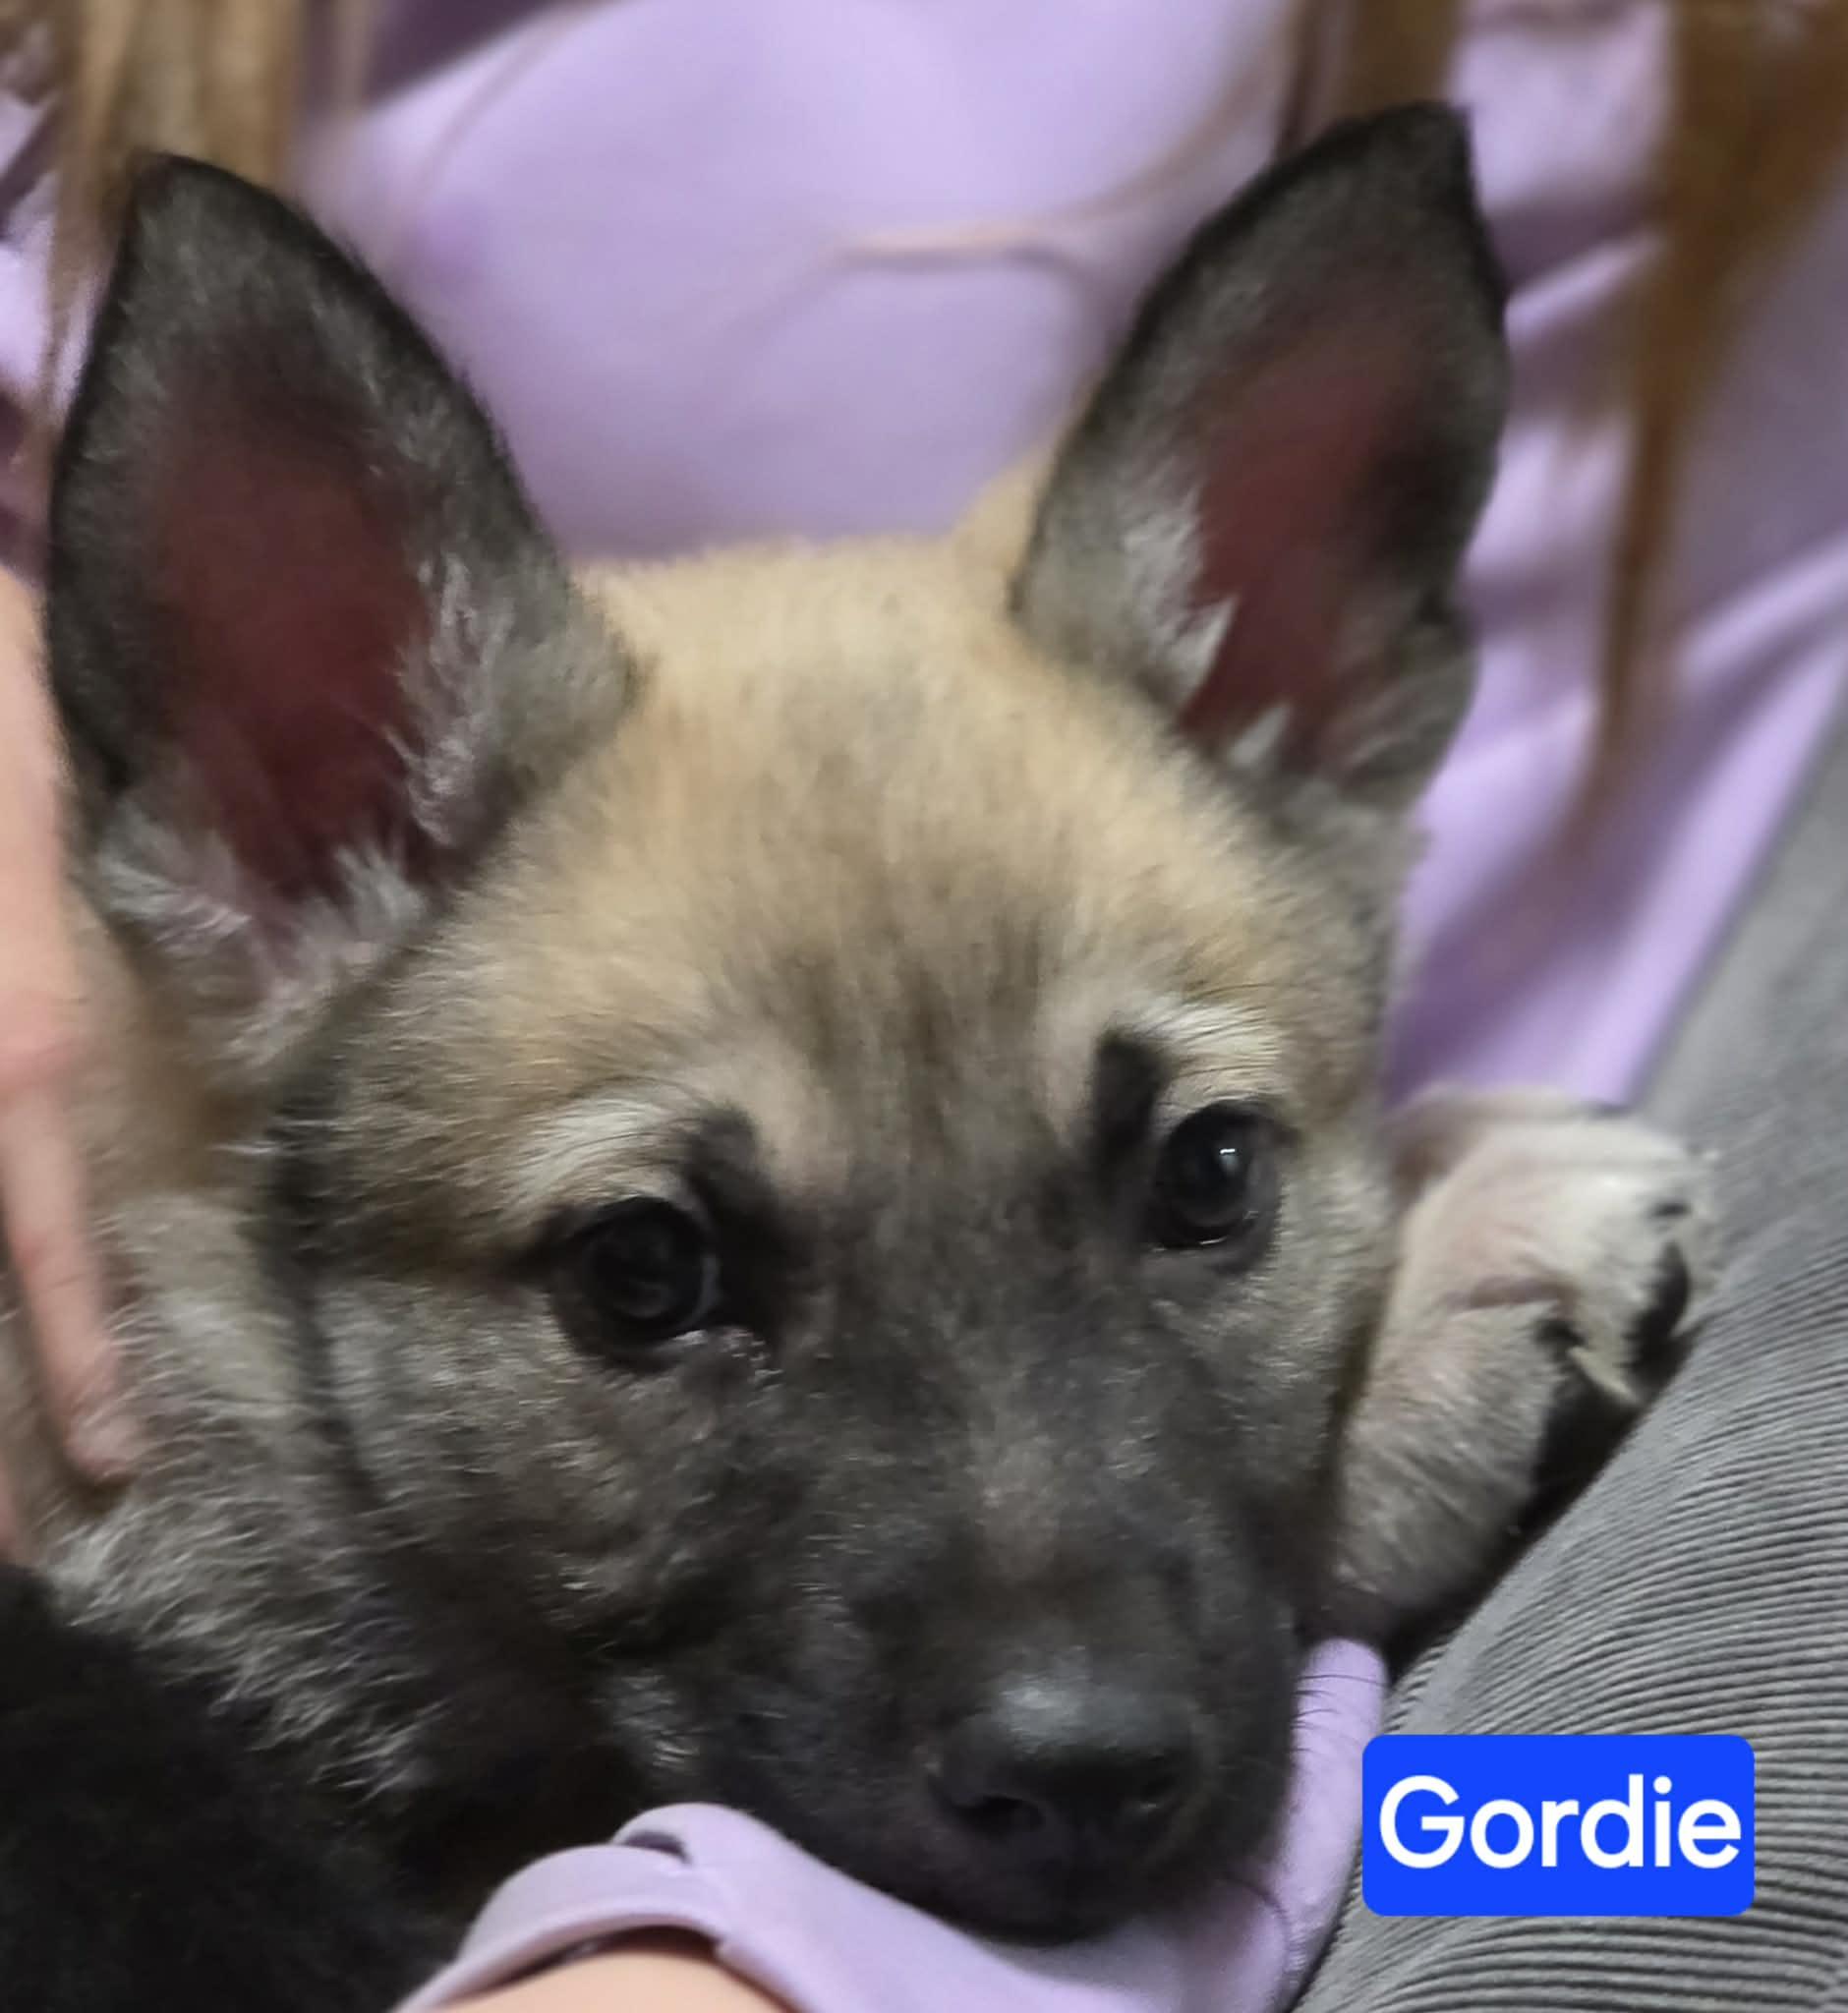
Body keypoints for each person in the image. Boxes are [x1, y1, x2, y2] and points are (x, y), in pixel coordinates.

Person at [1, 3, 1846, 2009]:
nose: (1059, 1694)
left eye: (1199, 1189)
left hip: (1489, 1635)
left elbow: (1673, 1804)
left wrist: (744, 1941)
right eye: (650, 1274)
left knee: (1679, 1816)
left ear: (1315, 712)